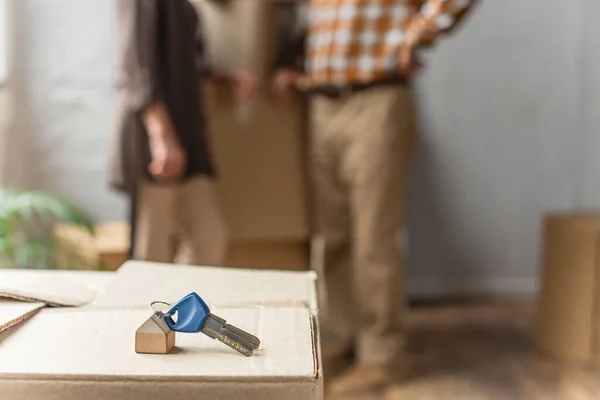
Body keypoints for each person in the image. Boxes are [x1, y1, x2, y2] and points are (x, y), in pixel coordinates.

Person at [271, 0, 477, 395]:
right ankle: (341, 339)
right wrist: (293, 60)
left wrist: (416, 34)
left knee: (373, 240)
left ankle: (383, 354)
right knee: (331, 238)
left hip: (376, 100)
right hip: (320, 103)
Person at [110, 0, 255, 265]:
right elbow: (135, 68)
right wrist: (161, 136)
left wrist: (224, 77)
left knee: (209, 236)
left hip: (187, 136)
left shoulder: (183, 6)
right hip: (153, 140)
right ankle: (148, 305)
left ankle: (183, 305)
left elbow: (183, 61)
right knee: (153, 249)